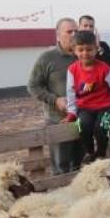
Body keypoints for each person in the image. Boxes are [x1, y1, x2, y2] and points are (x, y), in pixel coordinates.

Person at [64, 30, 110, 163]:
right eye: (80, 50)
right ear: (74, 51)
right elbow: (70, 93)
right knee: (83, 126)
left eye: (89, 49)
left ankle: (101, 154)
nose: (85, 53)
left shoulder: (105, 69)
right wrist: (72, 112)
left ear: (96, 49)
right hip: (85, 107)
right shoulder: (72, 70)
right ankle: (89, 151)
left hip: (106, 107)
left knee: (101, 128)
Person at [28, 17, 83, 173]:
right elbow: (33, 86)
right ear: (58, 35)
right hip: (57, 120)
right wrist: (55, 100)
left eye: (76, 31)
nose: (74, 34)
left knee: (79, 165)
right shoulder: (47, 58)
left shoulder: (84, 55)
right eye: (69, 31)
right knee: (61, 167)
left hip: (82, 120)